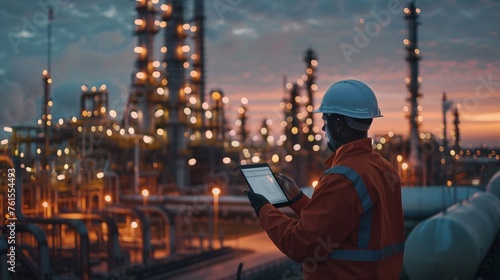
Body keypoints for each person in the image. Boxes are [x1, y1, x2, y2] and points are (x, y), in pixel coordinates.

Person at [245, 79, 405, 279]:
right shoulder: (384, 169)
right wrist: (296, 199)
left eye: (325, 121)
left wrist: (264, 209)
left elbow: (301, 245)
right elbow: (338, 222)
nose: (323, 129)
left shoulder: (342, 178)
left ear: (337, 124)